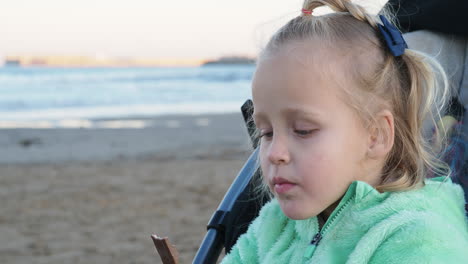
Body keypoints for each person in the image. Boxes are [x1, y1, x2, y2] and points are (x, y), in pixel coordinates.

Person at [220, 0, 468, 263]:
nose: (274, 153)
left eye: (303, 131)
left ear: (376, 135)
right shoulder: (273, 225)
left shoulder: (418, 240)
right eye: (266, 133)